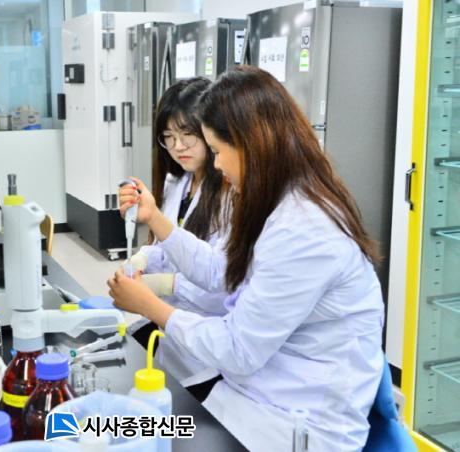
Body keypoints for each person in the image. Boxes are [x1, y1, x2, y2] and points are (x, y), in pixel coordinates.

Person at [109, 66, 384, 451]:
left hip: (292, 427)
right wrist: (155, 221)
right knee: (109, 428)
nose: (216, 165)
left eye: (218, 151)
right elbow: (221, 272)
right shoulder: (280, 201)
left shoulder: (305, 231)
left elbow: (239, 350)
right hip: (248, 398)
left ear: (251, 143)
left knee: (132, 435)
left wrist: (154, 308)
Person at [126, 77, 231, 390]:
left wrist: (163, 285)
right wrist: (143, 260)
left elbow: (222, 282)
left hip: (208, 345)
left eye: (188, 135)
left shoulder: (231, 194)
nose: (178, 147)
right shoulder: (180, 183)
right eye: (168, 137)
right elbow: (171, 246)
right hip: (172, 336)